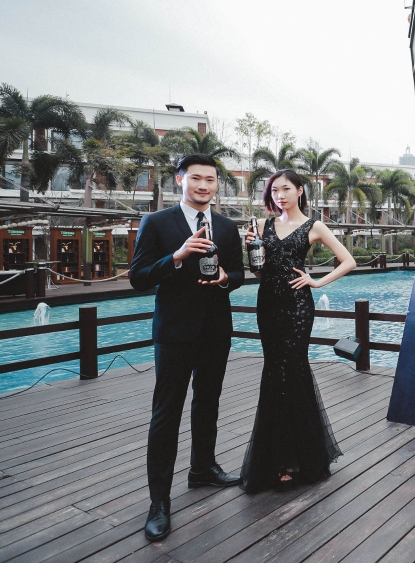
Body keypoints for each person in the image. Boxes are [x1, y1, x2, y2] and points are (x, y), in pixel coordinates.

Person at [130, 154, 245, 542]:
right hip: (175, 332)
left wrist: (226, 277)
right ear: (180, 180)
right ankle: (159, 502)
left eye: (210, 180)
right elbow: (138, 278)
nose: (203, 186)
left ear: (217, 184)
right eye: (196, 178)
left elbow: (239, 273)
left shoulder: (226, 226)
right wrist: (177, 257)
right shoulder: (157, 222)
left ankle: (203, 469)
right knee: (166, 413)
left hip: (216, 330)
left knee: (208, 402)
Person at [239, 169, 356, 492]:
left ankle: (297, 458)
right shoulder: (263, 226)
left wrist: (316, 282)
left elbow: (348, 261)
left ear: (300, 190)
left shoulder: (313, 226)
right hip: (268, 305)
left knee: (293, 371)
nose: (280, 195)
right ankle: (273, 458)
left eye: (286, 189)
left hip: (297, 306)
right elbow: (260, 273)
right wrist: (252, 251)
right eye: (274, 190)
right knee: (273, 373)